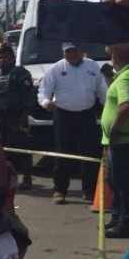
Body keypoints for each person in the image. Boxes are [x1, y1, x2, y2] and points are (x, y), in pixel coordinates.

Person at [37, 42, 108, 204]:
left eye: (74, 51)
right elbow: (43, 91)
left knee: (90, 154)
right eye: (68, 52)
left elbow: (102, 90)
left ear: (81, 51)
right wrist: (46, 102)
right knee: (62, 154)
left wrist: (109, 107)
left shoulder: (92, 66)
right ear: (63, 53)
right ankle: (60, 190)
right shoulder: (55, 69)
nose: (71, 54)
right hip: (64, 116)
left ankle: (89, 191)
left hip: (87, 116)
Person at [0, 45, 36, 191]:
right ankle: (4, 178)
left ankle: (27, 178)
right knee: (1, 150)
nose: (2, 60)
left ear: (13, 58)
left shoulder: (20, 73)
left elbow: (29, 95)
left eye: (5, 57)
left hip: (15, 116)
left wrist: (24, 115)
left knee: (22, 148)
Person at [101, 42, 129, 237]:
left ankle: (126, 223)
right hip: (116, 141)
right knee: (114, 181)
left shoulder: (127, 76)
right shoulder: (122, 77)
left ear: (118, 57)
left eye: (112, 55)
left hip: (123, 140)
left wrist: (114, 128)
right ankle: (117, 218)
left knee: (124, 184)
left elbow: (127, 104)